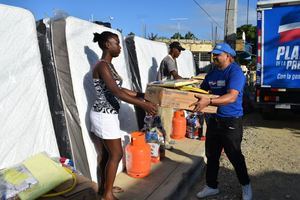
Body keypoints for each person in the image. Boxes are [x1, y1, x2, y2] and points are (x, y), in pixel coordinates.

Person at [90, 31, 157, 200]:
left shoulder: (108, 65)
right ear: (107, 45)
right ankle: (107, 195)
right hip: (103, 116)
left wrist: (141, 95)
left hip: (107, 115)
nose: (119, 47)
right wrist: (143, 104)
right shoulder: (102, 65)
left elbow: (121, 89)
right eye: (117, 43)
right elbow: (116, 92)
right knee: (116, 154)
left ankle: (105, 188)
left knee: (107, 155)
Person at [191, 43, 252, 200]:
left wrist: (208, 102)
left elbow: (231, 97)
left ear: (228, 56)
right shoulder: (211, 74)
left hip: (231, 120)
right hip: (214, 120)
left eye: (218, 54)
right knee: (212, 155)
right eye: (214, 54)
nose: (215, 57)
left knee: (234, 155)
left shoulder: (235, 72)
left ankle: (246, 186)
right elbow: (201, 91)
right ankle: (211, 186)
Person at [156, 41, 185, 149]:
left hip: (168, 93)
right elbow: (175, 75)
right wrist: (187, 81)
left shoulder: (172, 60)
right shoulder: (169, 60)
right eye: (179, 50)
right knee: (165, 117)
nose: (180, 53)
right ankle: (165, 142)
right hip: (164, 93)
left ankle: (167, 138)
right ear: (173, 49)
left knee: (168, 117)